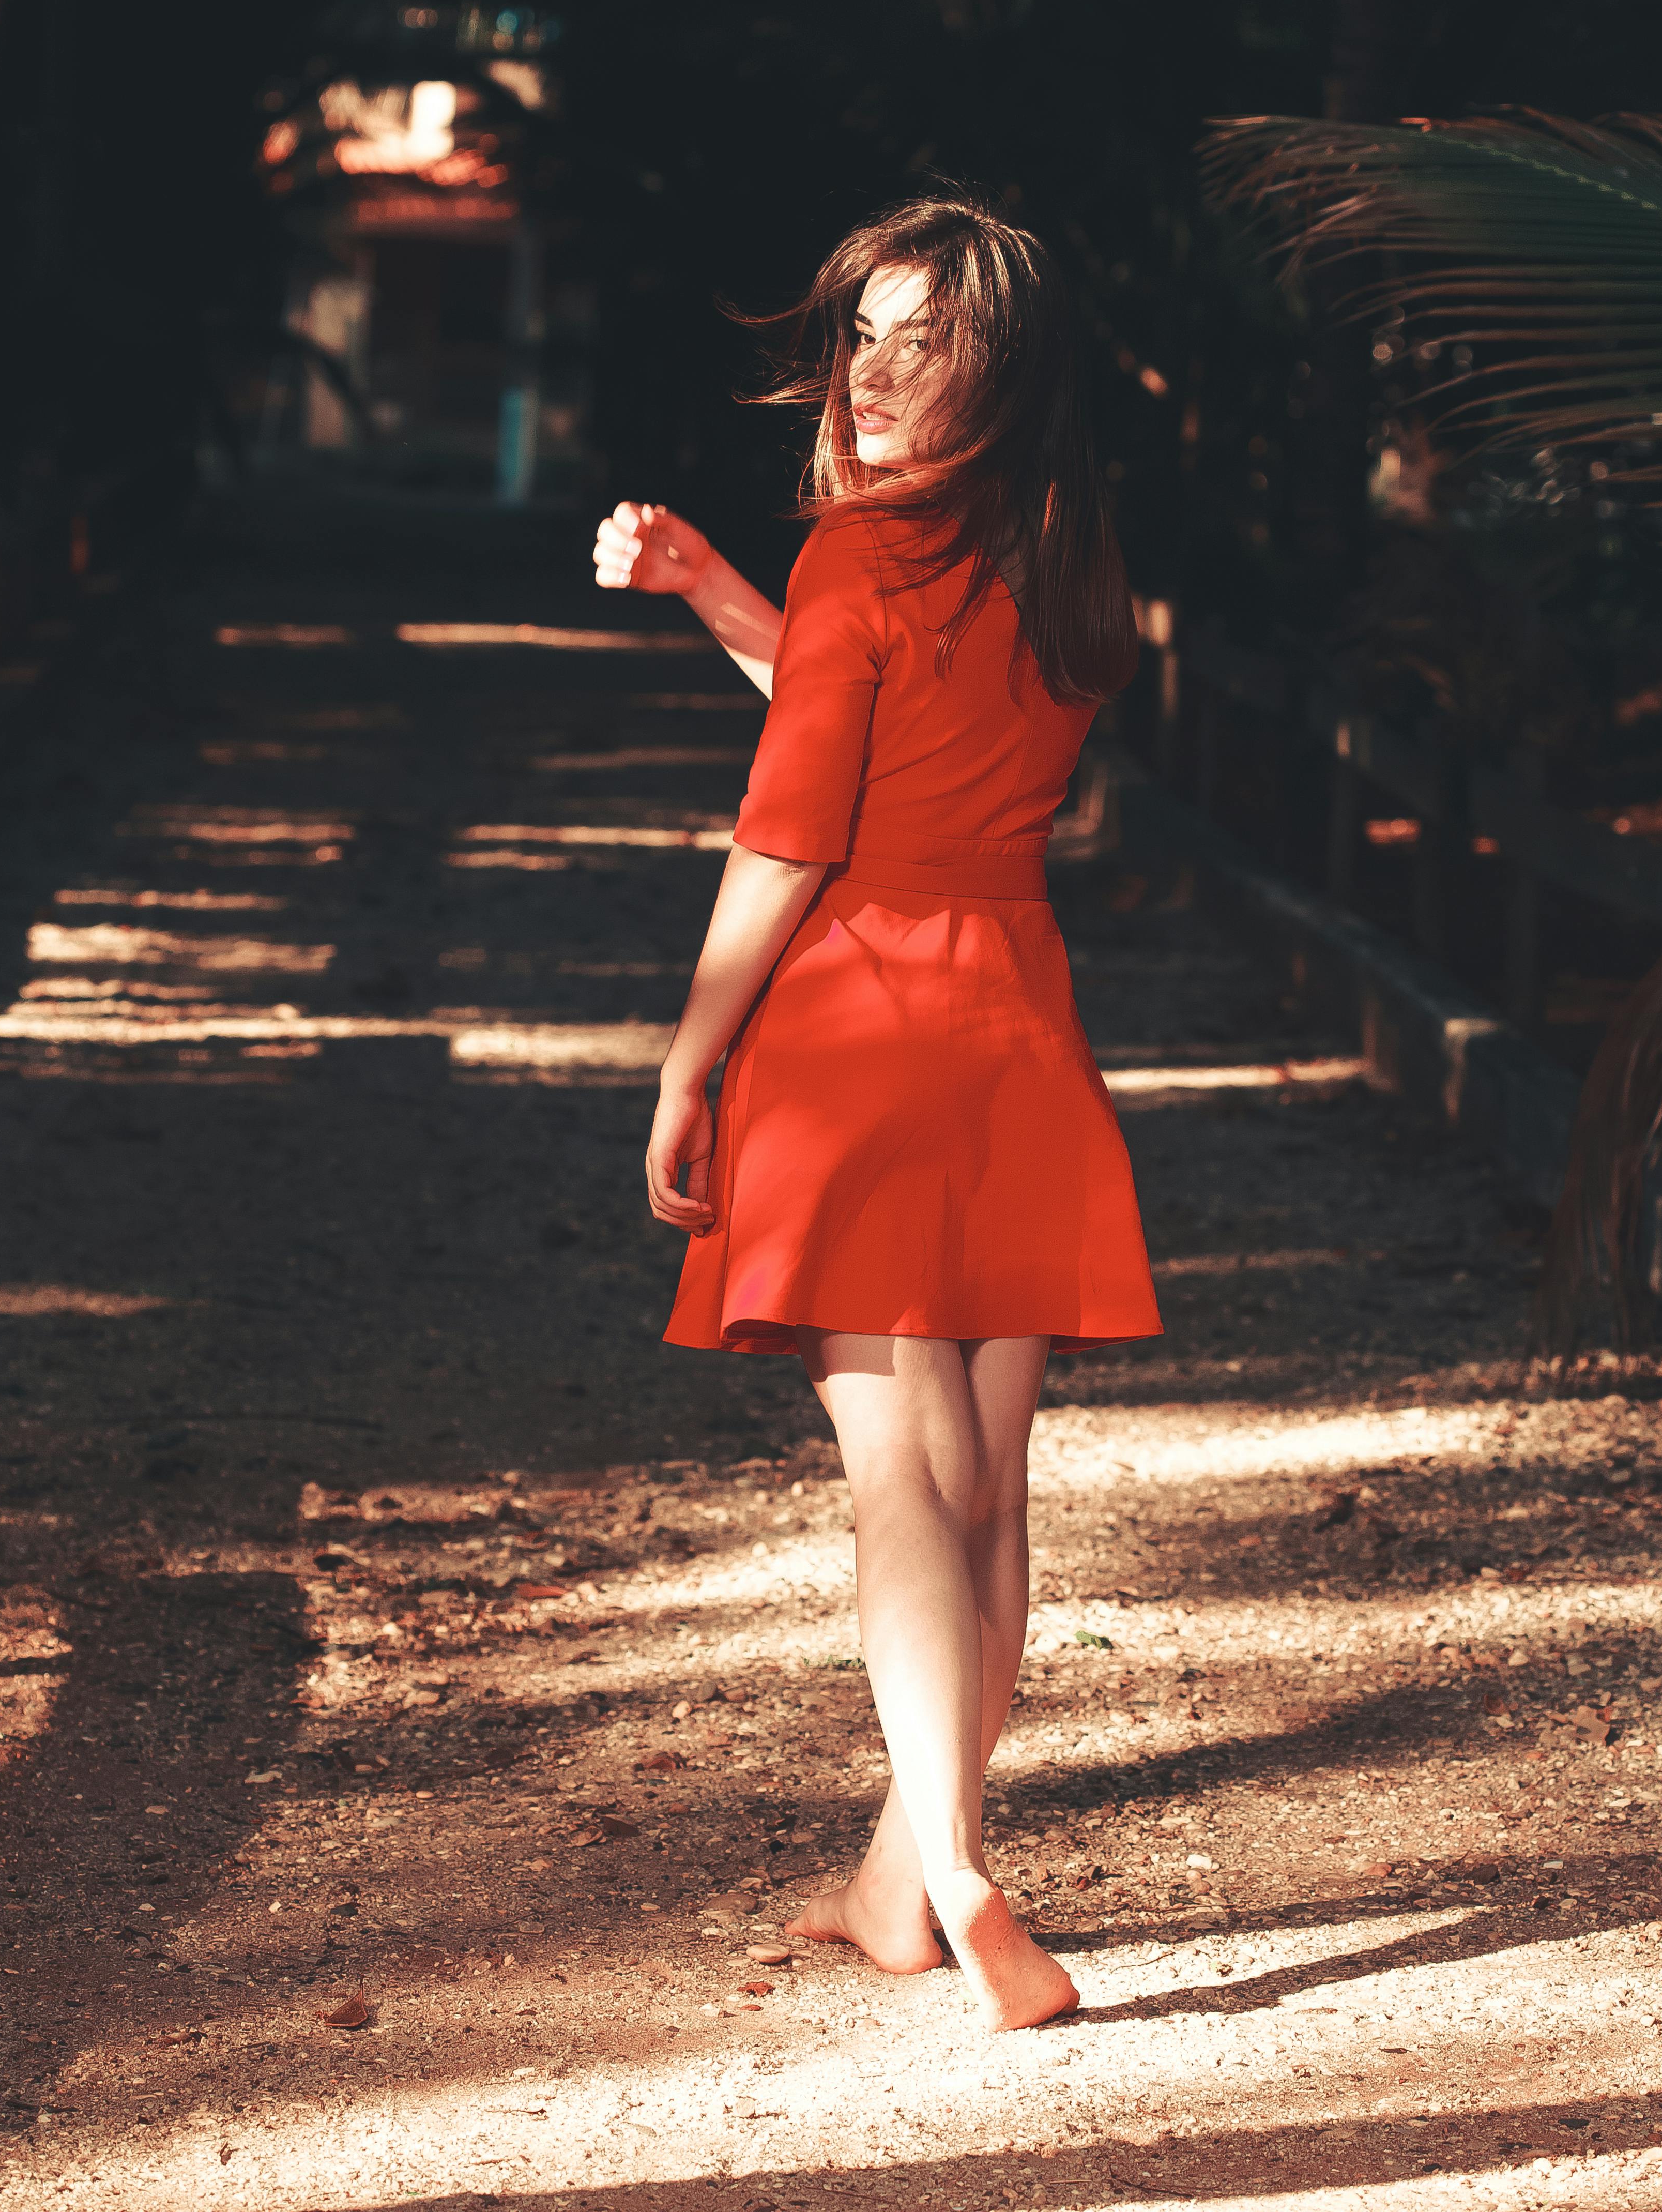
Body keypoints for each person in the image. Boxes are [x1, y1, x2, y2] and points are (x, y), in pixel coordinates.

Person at [591, 193, 1160, 2030]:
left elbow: (795, 824)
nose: (885, 374)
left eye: (931, 344)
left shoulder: (860, 558)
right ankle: (903, 1891)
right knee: (986, 1480)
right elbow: (874, 722)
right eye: (868, 337)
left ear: (1003, 373)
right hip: (1012, 1015)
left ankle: (961, 1859)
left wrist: (688, 1059)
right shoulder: (1067, 555)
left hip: (856, 1020)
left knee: (894, 1477)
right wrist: (711, 597)